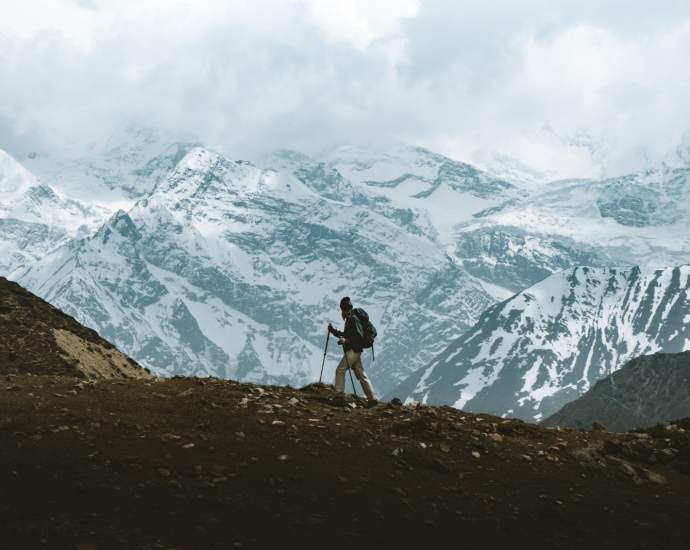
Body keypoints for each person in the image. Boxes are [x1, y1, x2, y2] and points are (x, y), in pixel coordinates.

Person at [328, 297, 379, 407]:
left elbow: (359, 336)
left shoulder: (353, 319)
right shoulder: (351, 318)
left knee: (340, 370)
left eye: (341, 310)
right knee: (361, 375)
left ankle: (338, 397)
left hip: (353, 351)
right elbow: (347, 334)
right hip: (355, 351)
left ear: (344, 310)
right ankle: (372, 399)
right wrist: (333, 331)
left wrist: (346, 341)